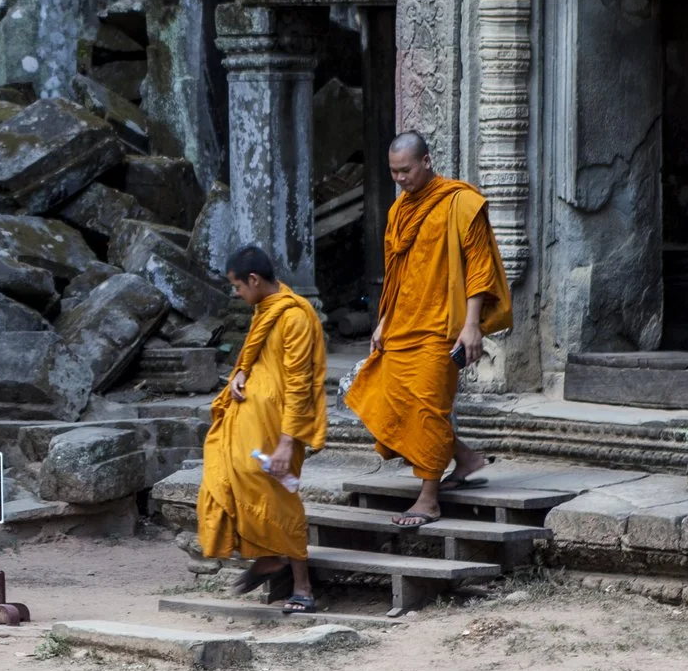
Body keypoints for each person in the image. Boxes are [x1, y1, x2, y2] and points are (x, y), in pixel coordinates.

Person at [344, 131, 512, 525]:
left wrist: (472, 326)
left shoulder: (460, 203)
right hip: (403, 322)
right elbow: (397, 274)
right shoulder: (399, 211)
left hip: (444, 325)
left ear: (426, 162)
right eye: (393, 172)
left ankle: (428, 498)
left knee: (428, 409)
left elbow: (479, 269)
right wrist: (383, 320)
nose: (400, 178)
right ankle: (466, 458)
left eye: (406, 170)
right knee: (387, 397)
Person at [199, 245, 327, 611]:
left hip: (278, 424)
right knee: (227, 478)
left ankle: (302, 586)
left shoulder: (295, 316)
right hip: (251, 416)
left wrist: (288, 442)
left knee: (280, 498)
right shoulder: (266, 309)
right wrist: (240, 372)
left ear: (254, 280)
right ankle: (271, 557)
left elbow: (301, 382)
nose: (238, 295)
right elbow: (255, 351)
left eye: (238, 287)